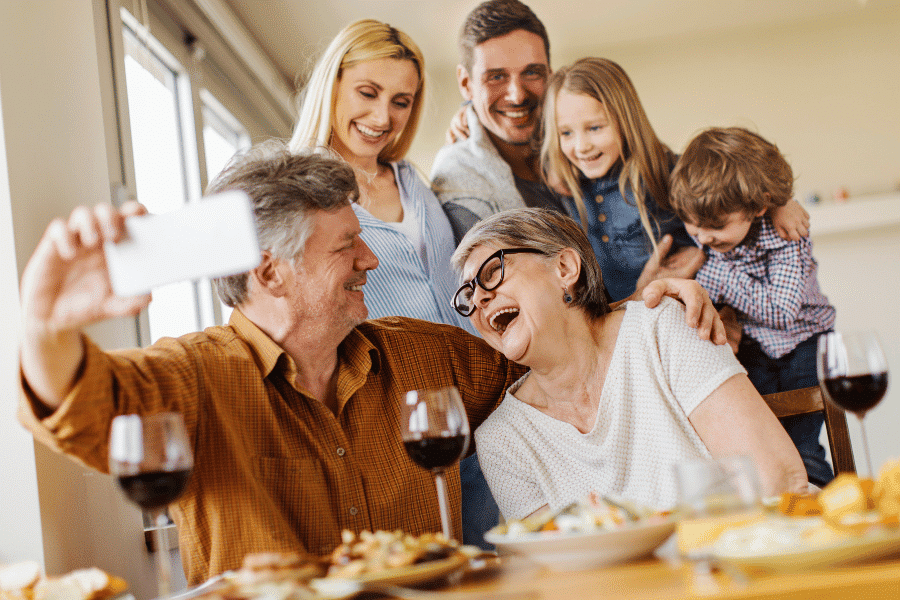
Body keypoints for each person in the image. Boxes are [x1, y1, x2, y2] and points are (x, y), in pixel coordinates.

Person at [18, 143, 724, 583]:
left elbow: (556, 349)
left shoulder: (422, 353)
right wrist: (46, 323)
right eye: (346, 247)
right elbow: (82, 407)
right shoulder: (197, 376)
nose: (370, 260)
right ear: (271, 272)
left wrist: (645, 307)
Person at [450, 208, 810, 518]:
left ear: (564, 267)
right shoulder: (502, 441)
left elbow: (777, 480)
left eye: (491, 273)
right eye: (467, 295)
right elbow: (547, 571)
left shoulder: (663, 328)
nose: (479, 298)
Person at [288, 19, 498, 548]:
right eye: (368, 92)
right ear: (331, 84)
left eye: (401, 101)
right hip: (389, 419)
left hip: (475, 409)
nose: (383, 117)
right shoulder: (297, 192)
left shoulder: (411, 180)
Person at [540, 57, 812, 303]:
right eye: (566, 134)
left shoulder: (665, 169)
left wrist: (781, 203)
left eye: (595, 128)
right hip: (626, 317)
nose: (581, 146)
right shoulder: (568, 189)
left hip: (689, 308)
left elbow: (737, 181)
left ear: (626, 120)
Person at [668, 126, 837, 487]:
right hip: (755, 350)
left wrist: (713, 279)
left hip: (806, 347)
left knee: (802, 447)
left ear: (759, 206)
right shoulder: (709, 234)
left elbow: (781, 311)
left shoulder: (787, 237)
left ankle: (819, 508)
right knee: (760, 445)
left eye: (714, 227)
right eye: (692, 226)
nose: (703, 238)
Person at [430, 0, 570, 241]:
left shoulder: (581, 141)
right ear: (466, 84)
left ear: (550, 74)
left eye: (532, 72)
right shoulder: (459, 178)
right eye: (496, 77)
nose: (517, 95)